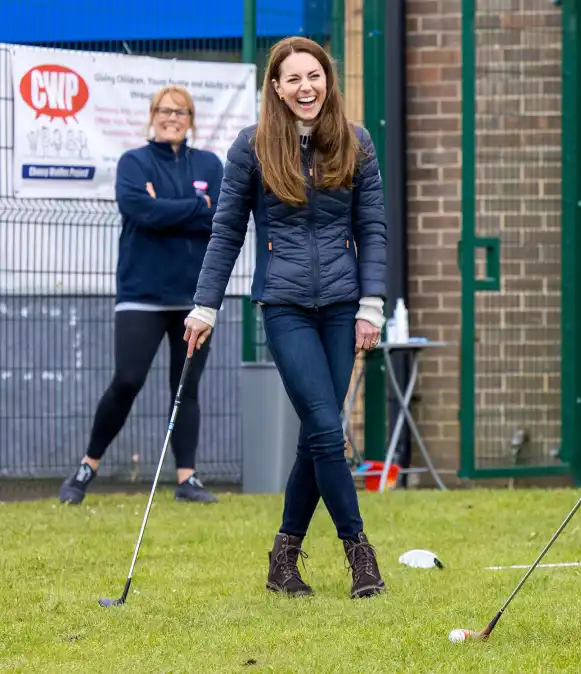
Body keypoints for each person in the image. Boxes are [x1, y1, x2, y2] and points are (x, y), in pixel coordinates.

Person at [183, 36, 388, 599]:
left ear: (328, 82)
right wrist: (205, 306)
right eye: (293, 78)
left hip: (345, 308)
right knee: (327, 428)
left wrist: (371, 305)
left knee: (315, 436)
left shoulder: (357, 142)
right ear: (275, 88)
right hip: (285, 306)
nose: (306, 88)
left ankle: (283, 560)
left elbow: (372, 228)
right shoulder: (250, 148)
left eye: (315, 76)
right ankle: (361, 556)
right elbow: (226, 231)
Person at [59, 86, 223, 506]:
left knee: (185, 385)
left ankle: (187, 479)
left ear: (191, 118)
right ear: (153, 115)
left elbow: (220, 218)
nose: (173, 118)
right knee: (127, 381)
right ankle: (87, 467)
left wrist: (172, 208)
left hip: (194, 299)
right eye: (166, 111)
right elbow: (140, 212)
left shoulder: (209, 163)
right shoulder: (134, 162)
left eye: (181, 111)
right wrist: (194, 205)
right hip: (141, 295)